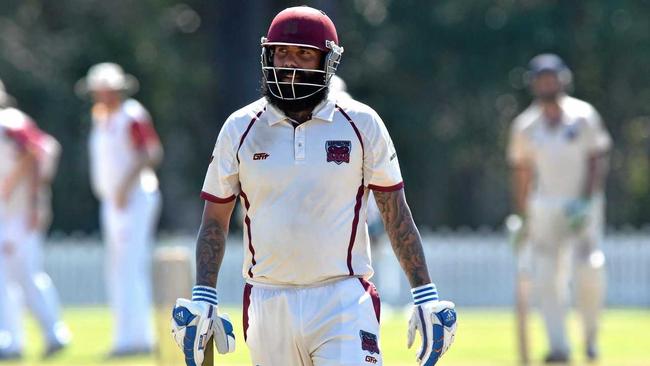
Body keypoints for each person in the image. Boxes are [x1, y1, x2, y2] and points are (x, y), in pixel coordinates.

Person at [171, 6, 457, 366]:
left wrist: (425, 293)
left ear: (327, 62)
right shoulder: (240, 127)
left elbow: (395, 213)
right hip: (267, 299)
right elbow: (214, 221)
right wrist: (204, 295)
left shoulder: (361, 123)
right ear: (267, 54)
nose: (289, 63)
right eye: (281, 52)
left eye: (304, 54)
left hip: (343, 298)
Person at [507, 54, 611, 363]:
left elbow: (596, 159)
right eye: (542, 79)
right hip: (544, 207)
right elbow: (522, 172)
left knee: (589, 268)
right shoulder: (525, 125)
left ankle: (590, 337)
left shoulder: (583, 115)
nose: (547, 84)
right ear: (534, 84)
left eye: (552, 78)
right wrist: (522, 216)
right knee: (546, 276)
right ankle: (558, 347)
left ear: (563, 80)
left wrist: (587, 199)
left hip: (582, 205)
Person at [76, 62, 163, 357]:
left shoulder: (131, 114)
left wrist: (126, 186)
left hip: (134, 197)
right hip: (113, 201)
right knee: (117, 268)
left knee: (130, 266)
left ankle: (138, 338)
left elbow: (150, 152)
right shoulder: (101, 118)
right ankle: (125, 336)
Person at [0, 81, 71, 359]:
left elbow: (36, 151)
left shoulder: (10, 122)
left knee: (27, 274)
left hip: (20, 212)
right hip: (7, 213)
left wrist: (19, 190)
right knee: (5, 277)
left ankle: (54, 333)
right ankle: (11, 340)